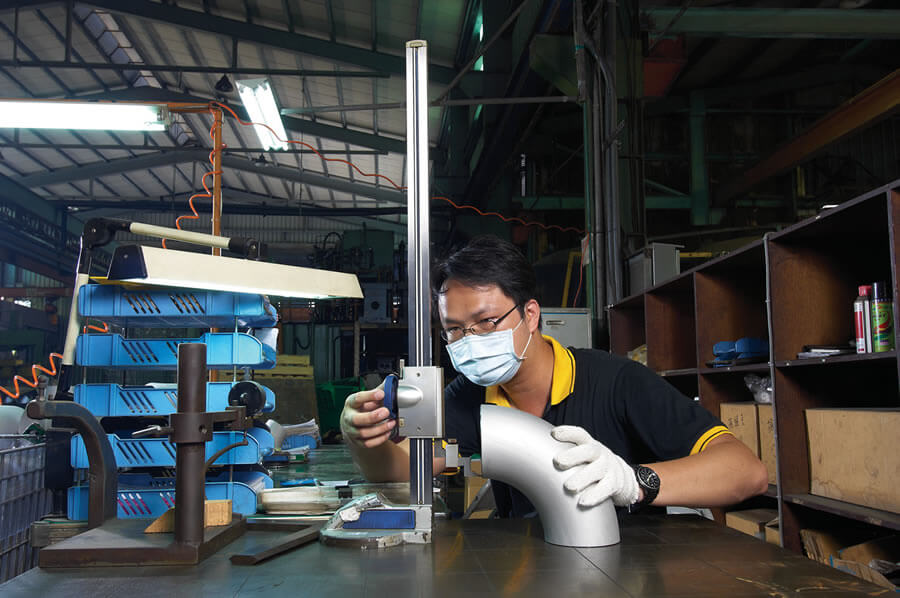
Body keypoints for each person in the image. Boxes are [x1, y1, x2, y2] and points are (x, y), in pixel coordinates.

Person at [341, 235, 768, 516]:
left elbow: (745, 471)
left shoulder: (617, 382)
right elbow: (406, 470)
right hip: (529, 567)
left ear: (530, 314)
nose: (469, 341)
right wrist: (363, 437)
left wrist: (633, 480)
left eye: (486, 322)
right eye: (454, 329)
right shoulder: (472, 396)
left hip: (628, 568)